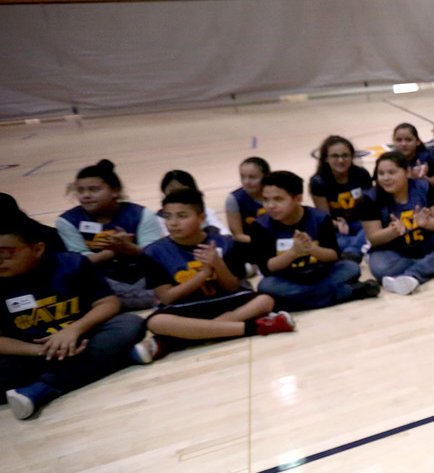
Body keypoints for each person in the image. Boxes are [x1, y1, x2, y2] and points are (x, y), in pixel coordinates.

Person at [1, 211, 146, 420]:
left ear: (38, 248)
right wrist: (41, 350)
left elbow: (108, 303)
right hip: (31, 353)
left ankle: (42, 388)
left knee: (130, 324)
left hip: (83, 340)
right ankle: (117, 359)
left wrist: (73, 330)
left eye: (6, 253)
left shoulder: (72, 263)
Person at [138, 189, 292, 361]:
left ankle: (176, 340)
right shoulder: (154, 252)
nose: (173, 223)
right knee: (156, 322)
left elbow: (233, 287)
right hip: (185, 308)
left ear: (201, 218)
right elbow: (167, 297)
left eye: (182, 216)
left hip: (223, 301)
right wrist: (202, 274)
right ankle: (253, 328)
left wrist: (218, 265)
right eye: (168, 216)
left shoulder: (225, 243)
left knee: (265, 300)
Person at [251, 171, 378, 309]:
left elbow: (333, 256)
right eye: (266, 200)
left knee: (351, 268)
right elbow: (268, 269)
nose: (270, 206)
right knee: (265, 286)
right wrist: (293, 252)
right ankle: (347, 292)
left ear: (298, 198)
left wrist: (310, 248)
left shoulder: (319, 218)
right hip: (287, 279)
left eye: (278, 199)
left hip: (320, 274)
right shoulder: (261, 226)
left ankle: (293, 302)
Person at [56, 159, 166, 310]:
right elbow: (77, 262)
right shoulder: (67, 221)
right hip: (104, 281)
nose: (86, 196)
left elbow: (159, 254)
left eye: (94, 190)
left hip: (143, 277)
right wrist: (112, 251)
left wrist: (129, 248)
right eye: (80, 191)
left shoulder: (142, 214)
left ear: (116, 191)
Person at [362, 151, 434, 293]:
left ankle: (413, 275)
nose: (386, 178)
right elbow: (374, 238)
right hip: (393, 251)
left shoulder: (423, 186)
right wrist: (393, 231)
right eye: (381, 173)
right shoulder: (370, 198)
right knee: (381, 269)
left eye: (392, 172)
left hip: (426, 243)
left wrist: (426, 223)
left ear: (407, 172)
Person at [309, 135, 374, 260]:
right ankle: (363, 246)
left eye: (345, 155)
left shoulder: (361, 174)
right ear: (326, 158)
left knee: (372, 229)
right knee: (337, 243)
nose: (340, 160)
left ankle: (353, 252)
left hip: (361, 224)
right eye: (335, 156)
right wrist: (337, 224)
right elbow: (324, 217)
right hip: (338, 229)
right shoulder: (318, 182)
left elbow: (370, 209)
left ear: (352, 157)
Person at [159, 170, 228, 237]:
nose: (178, 194)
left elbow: (223, 232)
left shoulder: (207, 211)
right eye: (172, 190)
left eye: (182, 190)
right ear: (164, 191)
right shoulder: (159, 218)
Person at [224, 156, 269, 246]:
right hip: (251, 245)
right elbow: (238, 235)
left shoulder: (277, 194)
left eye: (252, 177)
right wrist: (265, 242)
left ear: (266, 176)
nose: (246, 182)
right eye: (242, 176)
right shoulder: (234, 199)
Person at [393, 122, 434, 195]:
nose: (403, 144)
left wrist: (423, 178)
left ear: (417, 141)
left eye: (408, 140)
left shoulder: (427, 157)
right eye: (399, 140)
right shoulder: (389, 160)